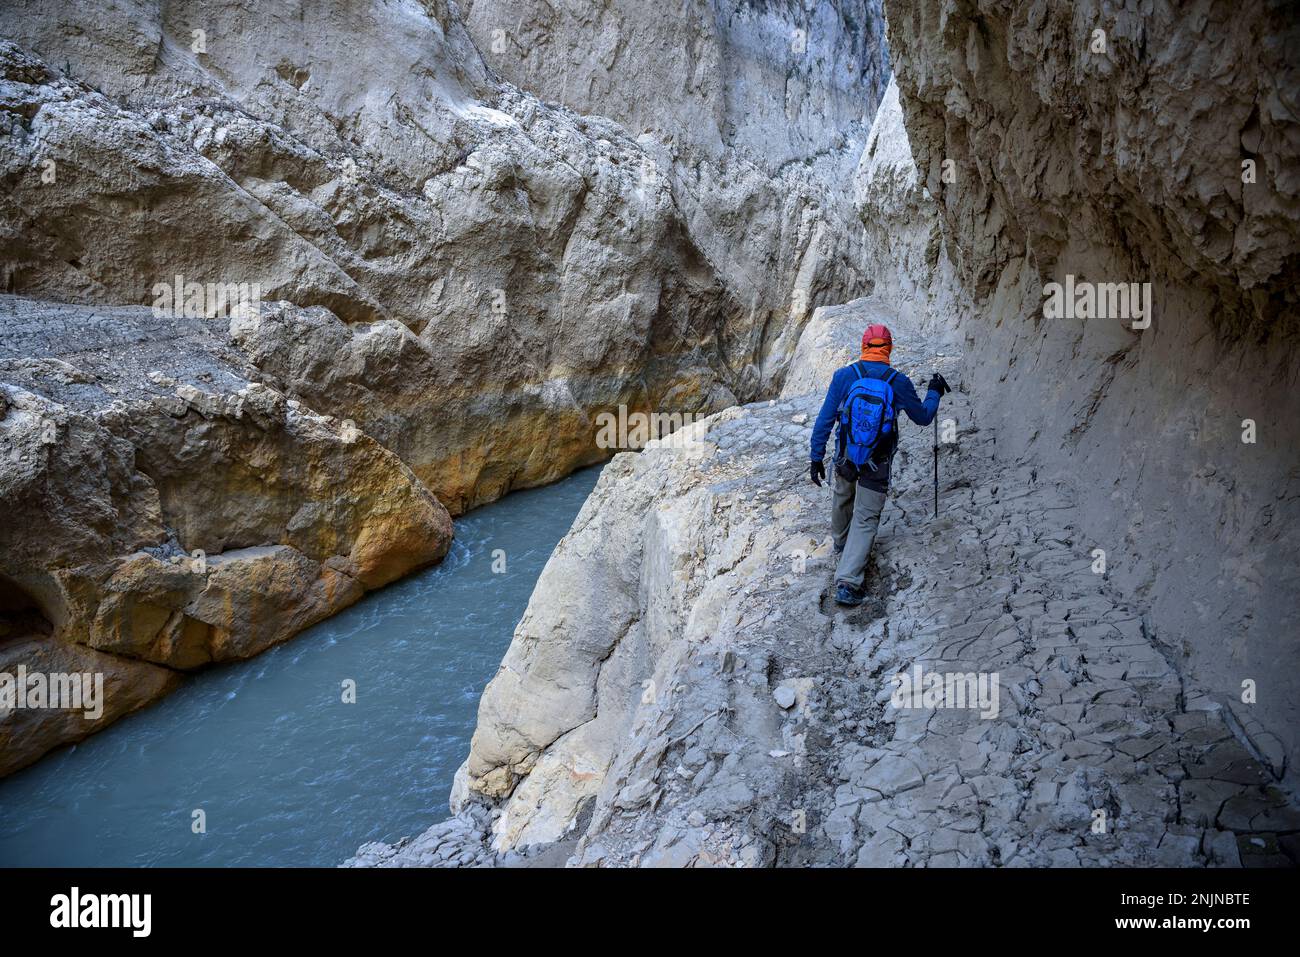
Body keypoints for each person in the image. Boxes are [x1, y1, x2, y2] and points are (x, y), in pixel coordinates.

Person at [808, 323, 950, 606]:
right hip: (878, 460)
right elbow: (923, 417)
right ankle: (848, 583)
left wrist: (815, 456)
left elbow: (824, 420)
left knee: (843, 495)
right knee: (866, 517)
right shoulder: (898, 382)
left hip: (846, 454)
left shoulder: (844, 377)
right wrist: (934, 392)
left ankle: (840, 544)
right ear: (890, 348)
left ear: (862, 346)